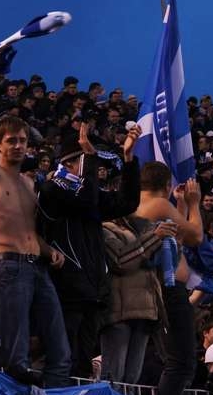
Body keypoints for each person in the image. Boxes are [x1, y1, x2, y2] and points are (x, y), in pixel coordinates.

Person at [0, 51, 70, 387]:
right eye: (11, 141)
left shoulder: (27, 183)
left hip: (38, 266)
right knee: (16, 353)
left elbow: (29, 230)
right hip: (9, 266)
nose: (19, 146)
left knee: (60, 350)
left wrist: (49, 250)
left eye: (23, 141)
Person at [38, 120, 141, 377]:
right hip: (67, 288)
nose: (98, 169)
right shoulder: (52, 188)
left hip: (93, 291)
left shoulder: (89, 192)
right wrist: (90, 162)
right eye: (89, 161)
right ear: (69, 163)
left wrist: (129, 159)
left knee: (82, 365)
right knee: (64, 360)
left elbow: (127, 203)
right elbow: (85, 199)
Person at [135, 161, 203, 395]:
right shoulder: (159, 204)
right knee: (182, 362)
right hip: (169, 290)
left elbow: (177, 238)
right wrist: (194, 203)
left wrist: (181, 205)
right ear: (166, 185)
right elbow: (195, 236)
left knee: (162, 360)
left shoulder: (141, 205)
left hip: (152, 288)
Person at [99, 215, 171, 384]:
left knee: (132, 380)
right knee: (114, 377)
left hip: (146, 311)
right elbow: (121, 261)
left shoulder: (140, 227)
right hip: (119, 313)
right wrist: (154, 237)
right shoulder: (105, 228)